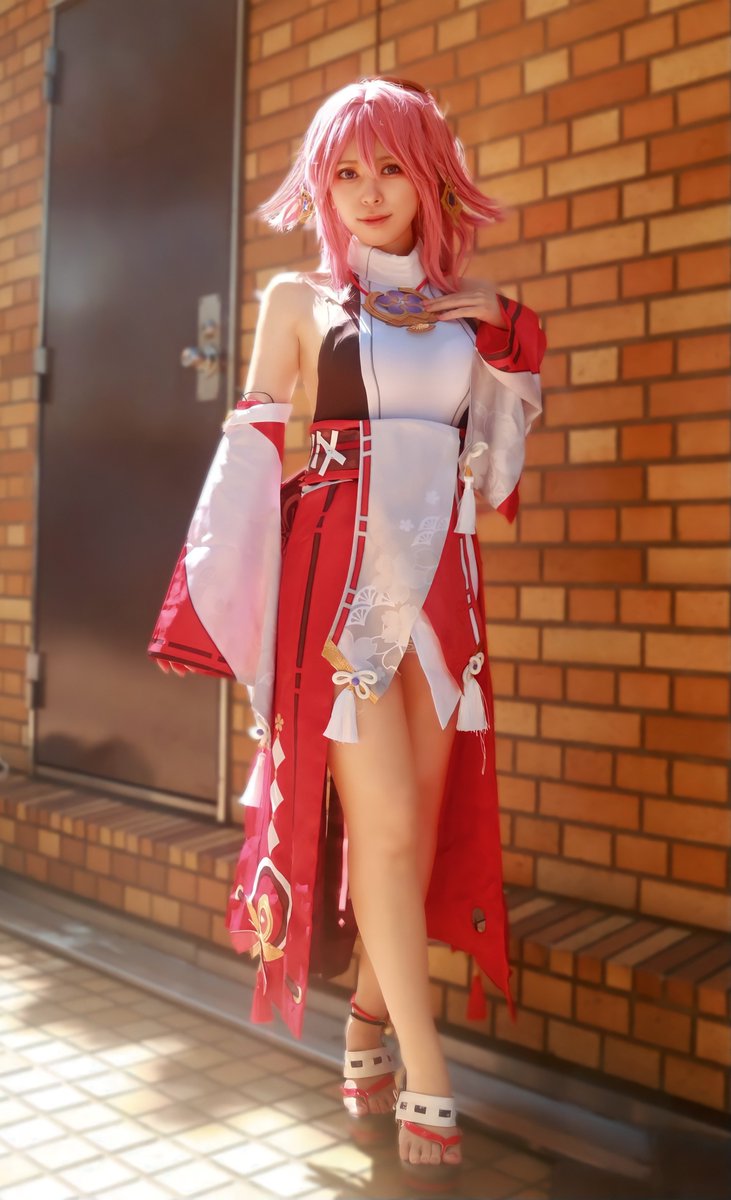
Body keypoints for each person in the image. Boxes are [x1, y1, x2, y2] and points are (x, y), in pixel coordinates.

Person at [149, 76, 546, 1187]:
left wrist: (498, 327)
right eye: (343, 173)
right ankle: (429, 1068)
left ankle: (368, 1017)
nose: (367, 193)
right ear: (321, 189)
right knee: (381, 830)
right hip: (343, 602)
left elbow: (496, 469)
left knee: (414, 832)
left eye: (389, 169)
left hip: (443, 594)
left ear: (429, 179)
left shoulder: (469, 311)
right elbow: (250, 457)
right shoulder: (296, 299)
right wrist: (228, 604)